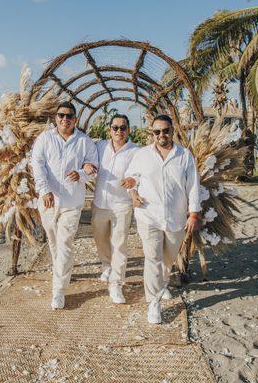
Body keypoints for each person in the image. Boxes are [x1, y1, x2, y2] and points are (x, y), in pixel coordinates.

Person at [125, 114, 201, 324]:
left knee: (167, 259)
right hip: (148, 215)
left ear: (172, 131)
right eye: (156, 131)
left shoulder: (184, 156)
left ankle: (163, 282)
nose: (161, 135)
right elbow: (132, 177)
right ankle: (154, 303)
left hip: (175, 217)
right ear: (152, 133)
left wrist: (193, 213)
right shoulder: (142, 155)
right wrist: (132, 192)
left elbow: (193, 185)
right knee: (153, 258)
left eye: (165, 130)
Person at [30, 101, 98, 310]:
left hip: (71, 201)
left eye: (69, 116)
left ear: (75, 119)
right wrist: (44, 190)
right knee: (54, 243)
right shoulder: (45, 138)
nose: (65, 119)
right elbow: (37, 165)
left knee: (65, 243)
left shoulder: (84, 141)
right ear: (55, 118)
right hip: (49, 201)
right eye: (61, 115)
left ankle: (58, 290)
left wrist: (82, 173)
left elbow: (94, 168)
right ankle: (64, 269)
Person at [90, 114, 138, 304]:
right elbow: (89, 162)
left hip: (122, 205)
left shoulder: (136, 151)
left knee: (119, 244)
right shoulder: (100, 146)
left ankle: (116, 284)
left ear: (128, 130)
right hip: (100, 203)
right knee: (100, 238)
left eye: (123, 127)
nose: (119, 131)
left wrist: (133, 179)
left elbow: (139, 172)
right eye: (115, 127)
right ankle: (106, 264)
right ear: (109, 130)